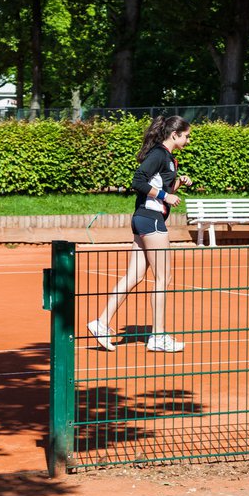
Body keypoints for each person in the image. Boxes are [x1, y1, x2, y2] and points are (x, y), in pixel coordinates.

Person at [87, 115, 193, 353]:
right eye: (186, 136)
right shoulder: (159, 154)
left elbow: (158, 187)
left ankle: (101, 323)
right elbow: (138, 181)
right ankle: (158, 336)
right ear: (174, 134)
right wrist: (167, 196)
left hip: (143, 218)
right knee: (163, 279)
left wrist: (177, 185)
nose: (188, 140)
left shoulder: (167, 158)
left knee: (134, 276)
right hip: (151, 220)